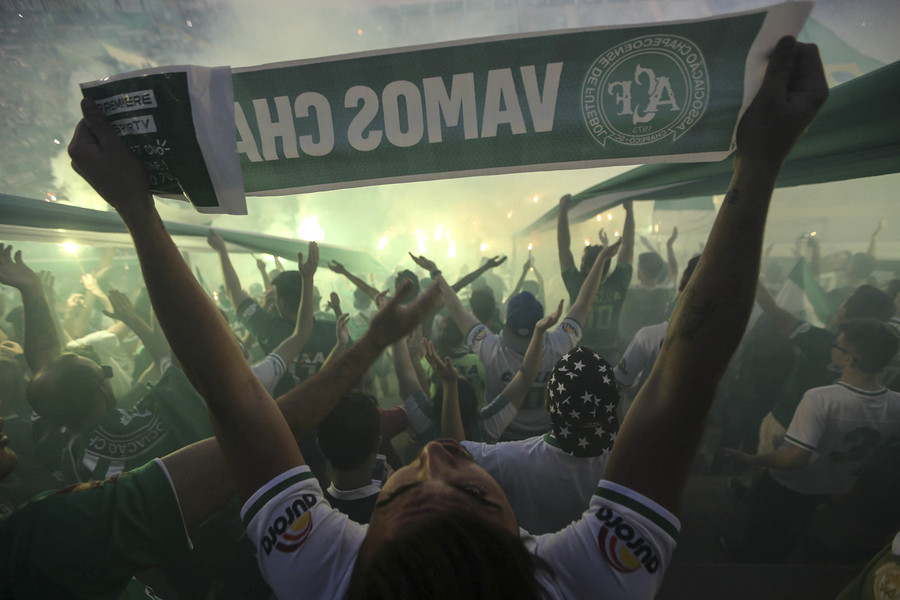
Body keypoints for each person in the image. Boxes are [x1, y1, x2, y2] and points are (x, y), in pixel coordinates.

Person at [67, 35, 828, 599]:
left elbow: (231, 394)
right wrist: (760, 167)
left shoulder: (329, 566)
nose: (437, 455)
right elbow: (682, 383)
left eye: (402, 492)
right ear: (526, 549)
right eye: (470, 491)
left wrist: (138, 210)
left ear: (358, 551)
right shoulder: (580, 572)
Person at [721, 318, 900, 563]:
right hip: (832, 484)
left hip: (789, 483)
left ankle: (746, 560)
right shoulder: (896, 403)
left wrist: (752, 458)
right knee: (795, 527)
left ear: (848, 359)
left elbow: (795, 458)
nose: (832, 348)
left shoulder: (821, 398)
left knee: (762, 529)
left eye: (837, 346)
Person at [411, 241, 619, 441]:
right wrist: (601, 259)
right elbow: (583, 302)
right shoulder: (559, 344)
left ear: (507, 324)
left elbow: (457, 309)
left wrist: (436, 273)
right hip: (543, 437)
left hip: (499, 434)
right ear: (542, 324)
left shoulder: (490, 347)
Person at [453, 346, 620, 535]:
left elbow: (453, 454)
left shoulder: (510, 460)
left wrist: (450, 386)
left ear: (547, 403)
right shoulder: (630, 466)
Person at [754, 281, 895, 454]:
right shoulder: (882, 355)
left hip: (785, 421)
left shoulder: (821, 341)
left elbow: (773, 310)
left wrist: (753, 278)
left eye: (846, 301)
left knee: (768, 470)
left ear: (845, 311)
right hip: (834, 438)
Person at [558, 195, 635, 364]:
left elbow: (563, 248)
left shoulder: (576, 283)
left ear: (586, 268)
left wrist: (562, 211)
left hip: (581, 355)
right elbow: (628, 247)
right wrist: (630, 211)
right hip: (611, 354)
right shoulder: (619, 281)